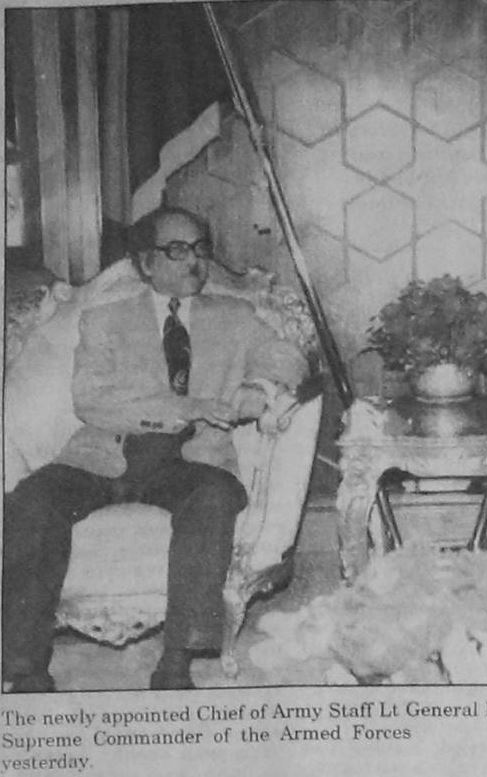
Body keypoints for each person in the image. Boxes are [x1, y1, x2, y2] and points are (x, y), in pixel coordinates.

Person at [2, 207, 309, 691]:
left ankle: (178, 659)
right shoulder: (105, 319)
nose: (194, 262)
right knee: (32, 499)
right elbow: (92, 400)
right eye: (177, 250)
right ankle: (24, 669)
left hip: (189, 461)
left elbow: (287, 355)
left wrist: (261, 386)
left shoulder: (235, 316)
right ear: (146, 263)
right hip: (102, 455)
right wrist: (185, 408)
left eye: (200, 250)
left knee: (216, 495)